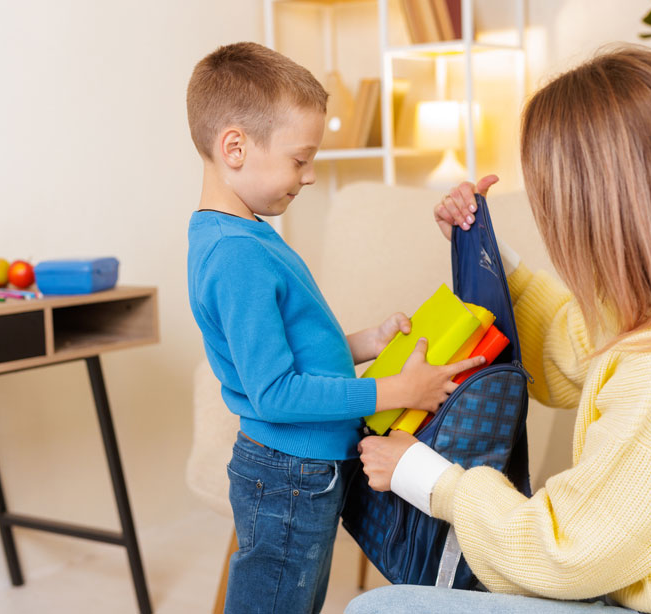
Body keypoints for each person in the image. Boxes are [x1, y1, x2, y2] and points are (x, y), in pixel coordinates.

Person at [348, 47, 651, 614]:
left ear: (600, 213)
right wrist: (486, 257)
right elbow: (568, 344)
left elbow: (565, 552)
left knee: (378, 610)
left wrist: (428, 478)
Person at [185, 42, 484, 614]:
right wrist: (397, 390)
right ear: (235, 147)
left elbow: (289, 356)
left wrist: (367, 343)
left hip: (303, 467)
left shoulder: (245, 236)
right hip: (289, 474)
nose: (311, 175)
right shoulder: (236, 256)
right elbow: (275, 393)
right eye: (300, 159)